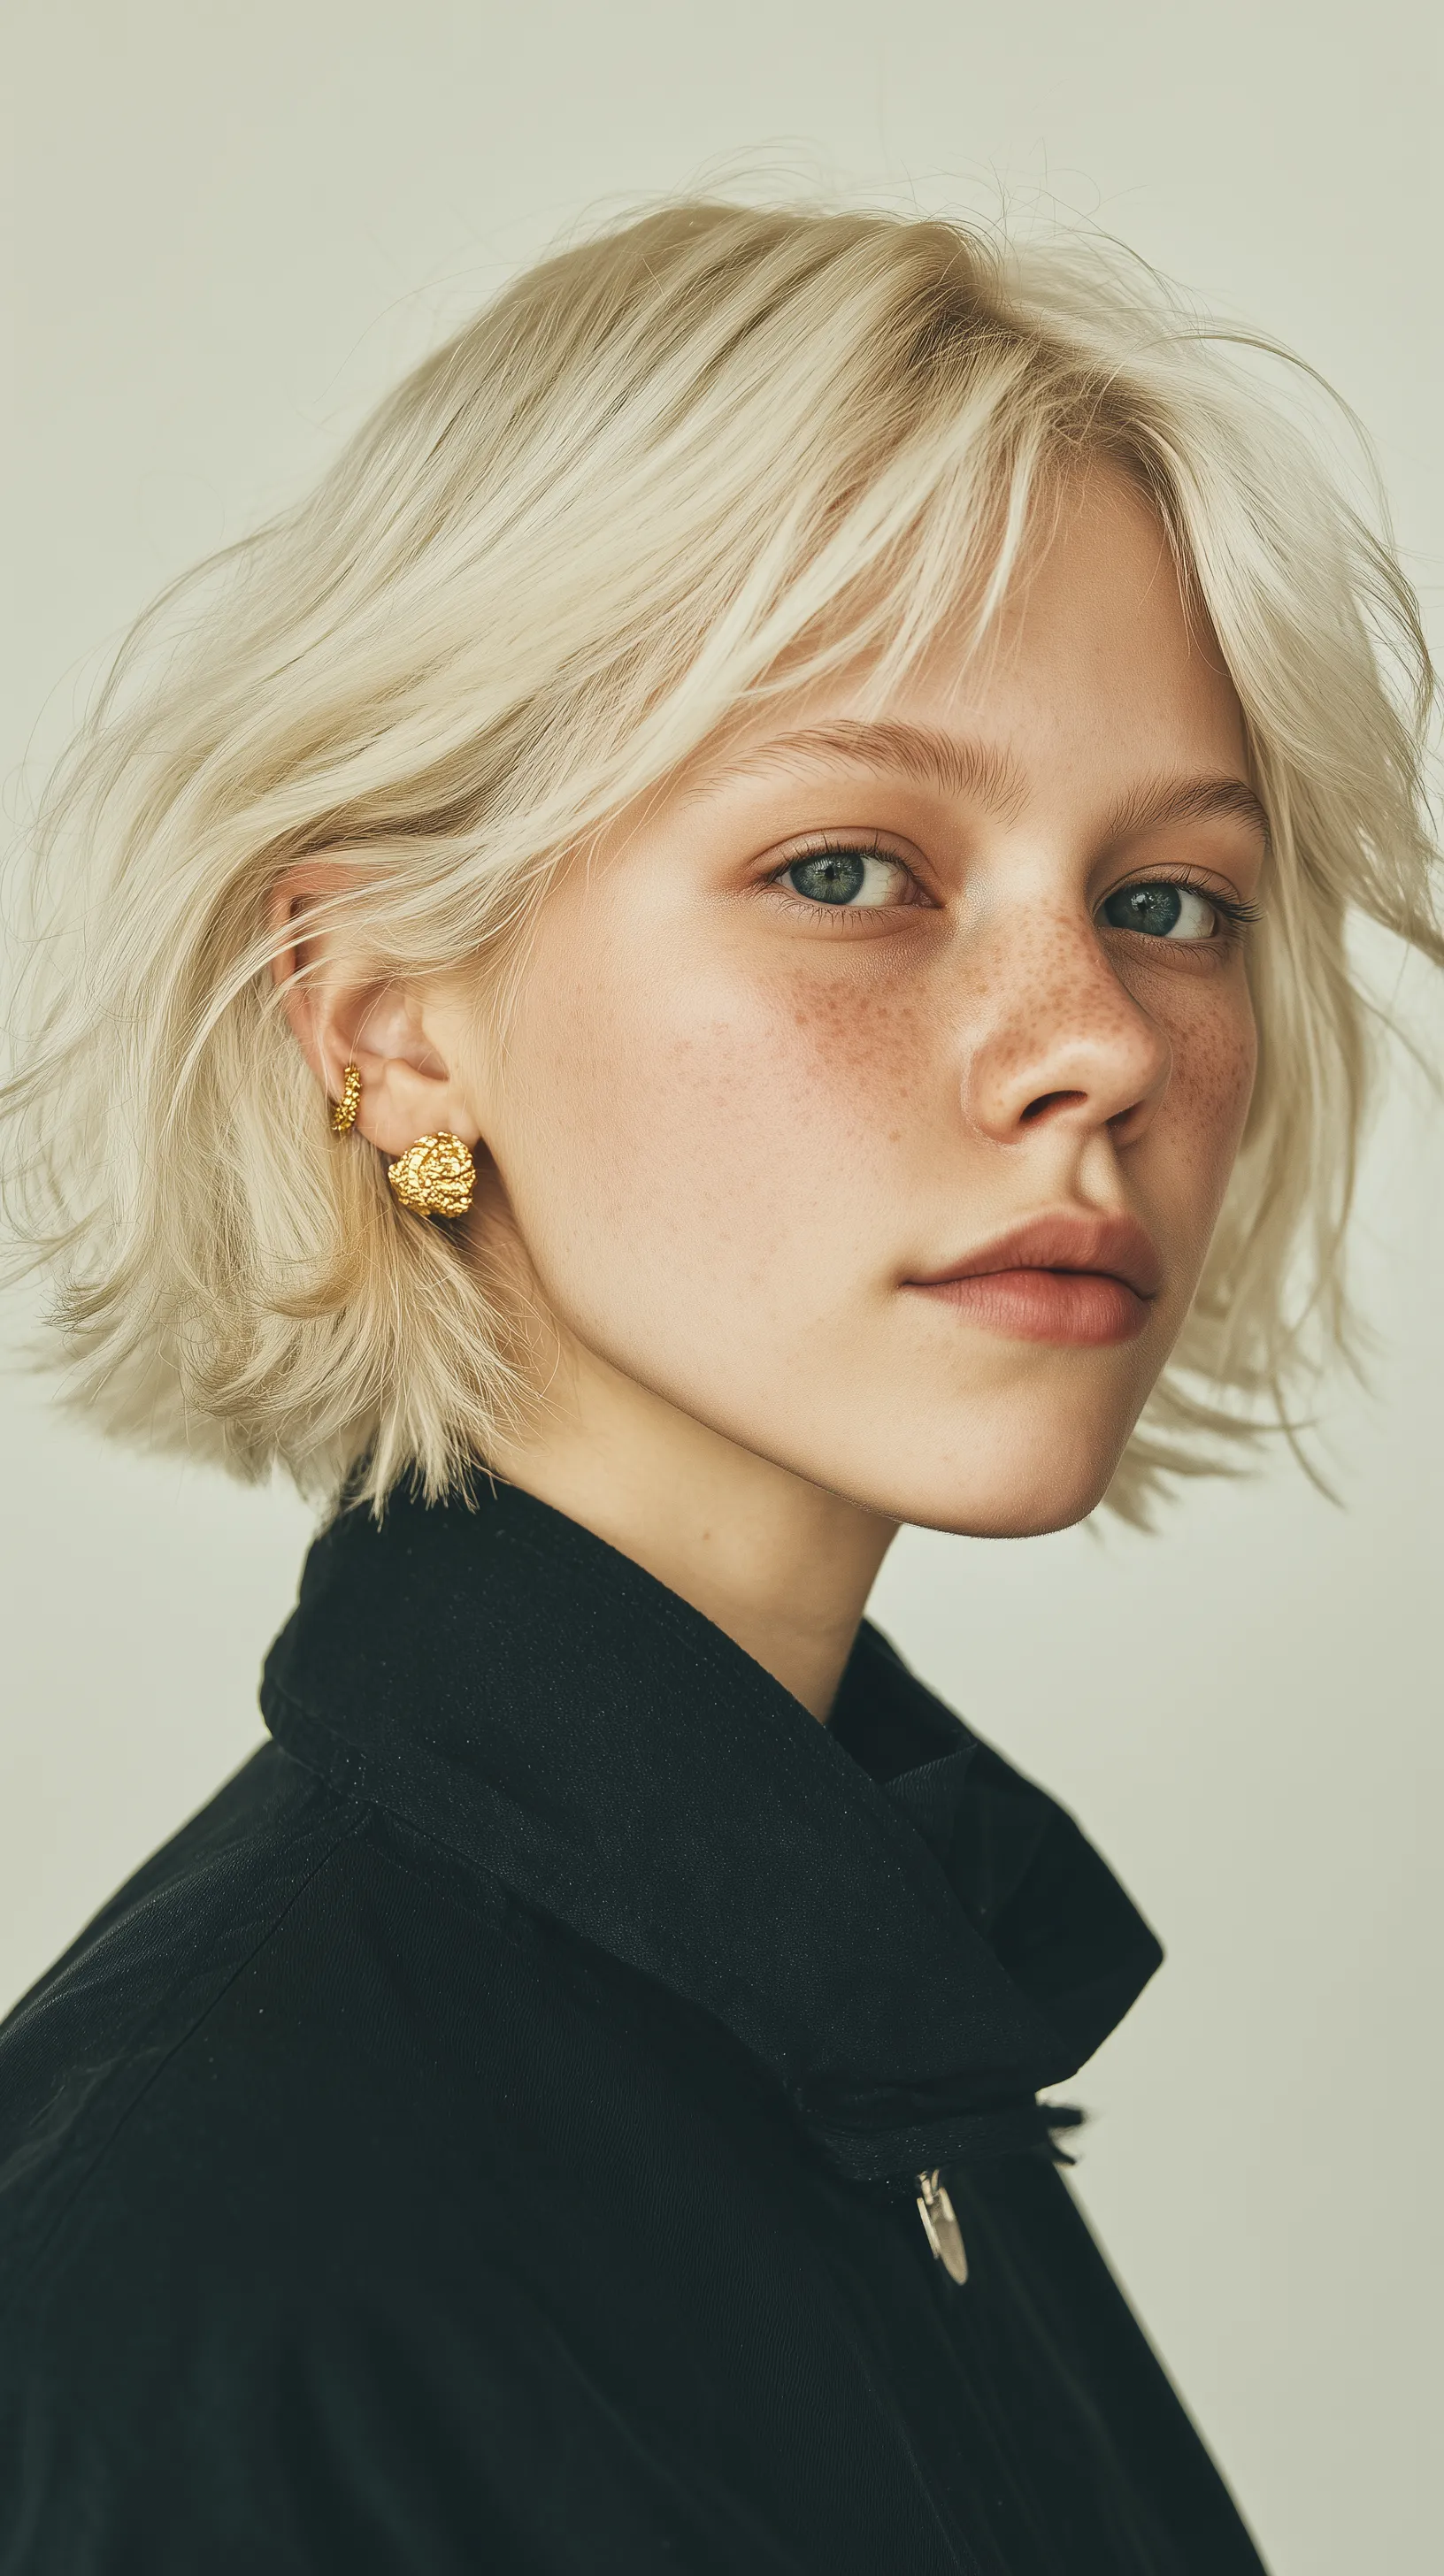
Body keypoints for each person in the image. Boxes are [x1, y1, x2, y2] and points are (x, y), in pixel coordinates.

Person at [0, 197, 1437, 2576]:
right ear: (383, 1009)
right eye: (856, 868)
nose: (1094, 1037)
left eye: (1169, 897)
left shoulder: (865, 2051)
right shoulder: (231, 2270)